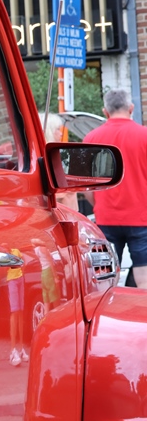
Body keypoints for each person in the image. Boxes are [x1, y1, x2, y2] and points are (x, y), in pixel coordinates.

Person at [83, 88, 147, 289]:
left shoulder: (91, 139)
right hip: (141, 219)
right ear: (131, 108)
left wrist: (99, 203)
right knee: (144, 279)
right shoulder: (145, 136)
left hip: (106, 219)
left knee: (105, 280)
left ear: (105, 111)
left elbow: (85, 186)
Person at [39, 112, 79, 211]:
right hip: (61, 213)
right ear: (49, 131)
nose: (61, 133)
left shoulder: (53, 154)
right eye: (57, 129)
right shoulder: (47, 157)